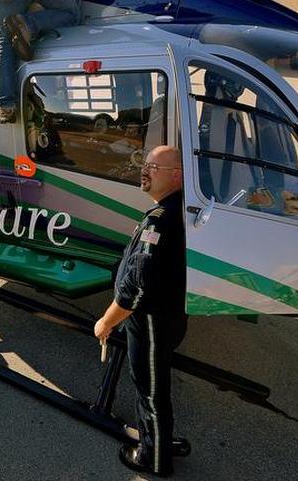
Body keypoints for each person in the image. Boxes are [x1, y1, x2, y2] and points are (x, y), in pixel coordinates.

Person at [94, 145, 189, 477]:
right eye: (144, 163)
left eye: (153, 167)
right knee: (154, 385)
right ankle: (161, 440)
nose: (144, 170)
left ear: (175, 176)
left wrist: (106, 321)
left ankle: (154, 457)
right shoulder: (174, 210)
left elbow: (137, 286)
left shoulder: (161, 222)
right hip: (167, 317)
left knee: (150, 390)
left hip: (151, 322)